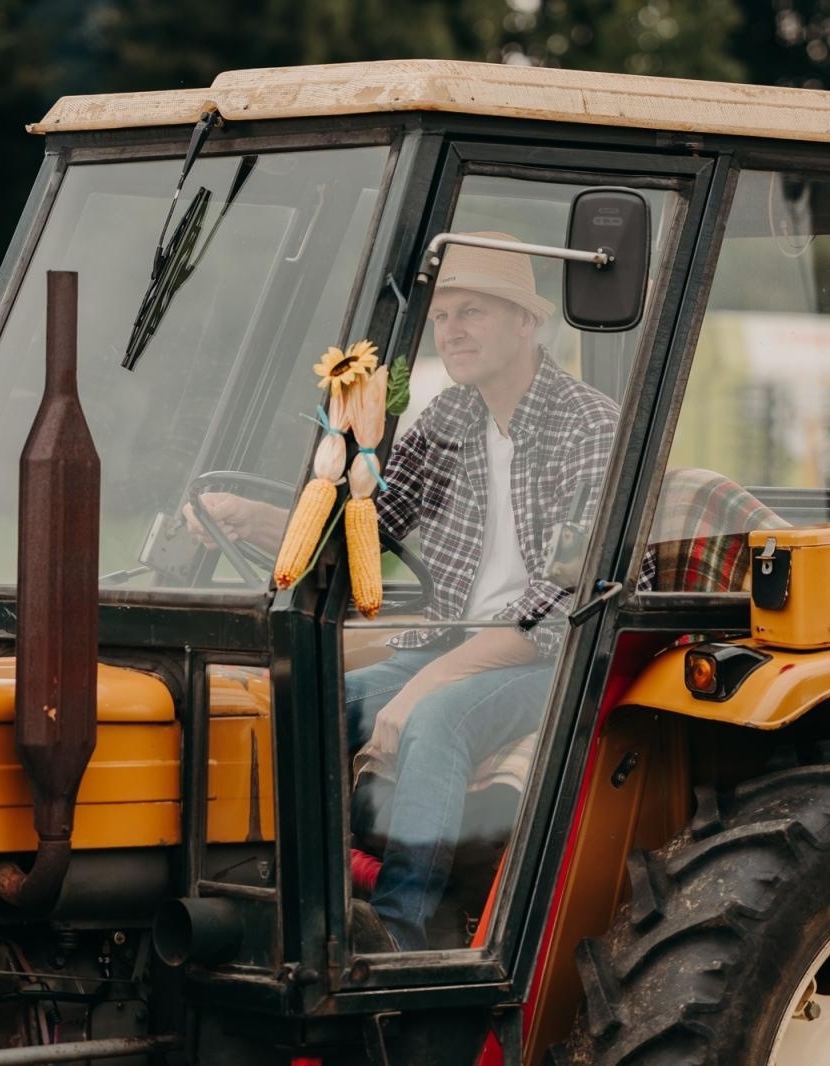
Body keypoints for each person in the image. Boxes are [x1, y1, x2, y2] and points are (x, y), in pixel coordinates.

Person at [187, 232, 628, 951]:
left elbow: (562, 604)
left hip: (560, 658)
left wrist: (428, 682)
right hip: (455, 641)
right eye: (443, 316)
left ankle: (400, 934)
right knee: (302, 702)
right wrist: (250, 518)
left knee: (439, 718)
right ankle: (289, 902)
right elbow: (367, 527)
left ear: (526, 321)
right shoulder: (450, 417)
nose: (452, 331)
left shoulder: (589, 426)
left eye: (473, 311)